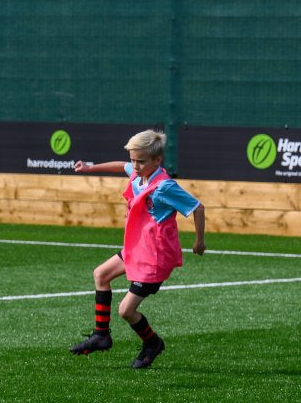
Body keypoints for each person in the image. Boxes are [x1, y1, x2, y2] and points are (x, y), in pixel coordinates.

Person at [68, 129, 206, 368]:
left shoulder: (164, 187)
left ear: (157, 160)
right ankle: (101, 335)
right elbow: (122, 166)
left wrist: (199, 241)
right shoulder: (137, 173)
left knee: (126, 311)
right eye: (134, 159)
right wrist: (89, 168)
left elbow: (198, 207)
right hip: (137, 248)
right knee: (101, 274)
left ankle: (152, 343)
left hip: (154, 257)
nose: (135, 165)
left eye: (140, 161)